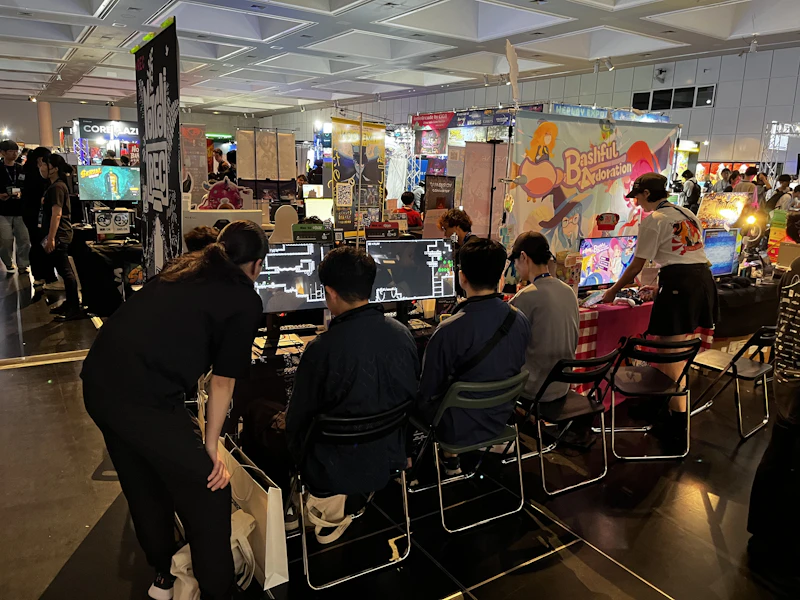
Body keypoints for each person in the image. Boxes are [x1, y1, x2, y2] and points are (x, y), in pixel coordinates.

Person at [82, 221, 266, 600]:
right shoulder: (243, 299)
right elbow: (222, 382)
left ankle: (163, 577)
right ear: (257, 264)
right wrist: (211, 448)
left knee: (142, 483)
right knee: (211, 488)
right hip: (143, 398)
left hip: (99, 382)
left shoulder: (187, 267)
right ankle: (218, 591)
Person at [286, 246, 418, 497]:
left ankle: (290, 505)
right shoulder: (402, 335)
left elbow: (296, 423)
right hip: (388, 456)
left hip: (330, 467)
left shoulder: (321, 350)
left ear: (330, 292)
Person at [601, 173, 718, 442]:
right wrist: (660, 288)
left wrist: (612, 291)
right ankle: (667, 411)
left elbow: (636, 265)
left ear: (647, 194)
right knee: (676, 352)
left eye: (638, 197)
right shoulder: (686, 212)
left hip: (681, 285)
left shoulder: (654, 219)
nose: (637, 203)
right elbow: (688, 255)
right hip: (699, 282)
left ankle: (677, 424)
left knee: (671, 355)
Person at [417, 238, 530, 475]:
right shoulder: (519, 319)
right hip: (501, 417)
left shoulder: (448, 330)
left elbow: (427, 391)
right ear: (501, 277)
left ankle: (442, 459)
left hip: (456, 426)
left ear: (462, 278)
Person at [747, 212, 800, 594]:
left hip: (788, 380)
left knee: (782, 459)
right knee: (786, 464)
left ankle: (768, 542)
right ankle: (773, 551)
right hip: (795, 384)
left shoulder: (794, 271)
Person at [508, 232, 579, 405]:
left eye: (515, 261)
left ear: (523, 257)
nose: (515, 266)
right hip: (563, 385)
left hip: (533, 390)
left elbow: (506, 345)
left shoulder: (525, 296)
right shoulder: (569, 291)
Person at [40, 154, 82, 320]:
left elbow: (56, 214)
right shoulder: (55, 186)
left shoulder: (57, 187)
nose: (42, 168)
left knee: (66, 271)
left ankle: (74, 306)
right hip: (58, 234)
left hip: (60, 234)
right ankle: (70, 303)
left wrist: (51, 238)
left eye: (45, 164)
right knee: (63, 270)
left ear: (54, 169)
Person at [21, 146, 57, 287]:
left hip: (31, 214)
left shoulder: (27, 171)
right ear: (41, 160)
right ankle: (46, 276)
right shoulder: (37, 175)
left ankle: (41, 276)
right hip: (38, 215)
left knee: (37, 243)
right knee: (41, 244)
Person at [0, 139, 31, 275]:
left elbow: (27, 187)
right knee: (5, 241)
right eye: (11, 151)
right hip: (2, 211)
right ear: (3, 153)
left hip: (20, 210)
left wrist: (22, 193)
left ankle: (23, 265)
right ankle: (8, 262)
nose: (14, 154)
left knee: (24, 240)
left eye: (16, 151)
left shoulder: (21, 169)